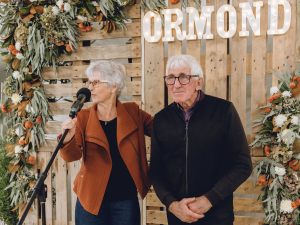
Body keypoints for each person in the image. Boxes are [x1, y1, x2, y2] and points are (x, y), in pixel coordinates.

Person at [149, 54, 252, 225]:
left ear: (199, 82)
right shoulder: (161, 119)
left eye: (183, 78)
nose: (176, 85)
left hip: (217, 215)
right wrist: (172, 205)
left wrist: (209, 199)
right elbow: (156, 171)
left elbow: (242, 165)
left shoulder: (223, 111)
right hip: (178, 216)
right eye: (171, 78)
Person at [59, 61, 153, 225]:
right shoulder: (83, 117)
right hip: (90, 200)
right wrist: (68, 139)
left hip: (125, 200)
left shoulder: (133, 113)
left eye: (95, 82)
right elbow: (72, 156)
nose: (90, 88)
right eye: (89, 82)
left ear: (113, 87)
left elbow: (163, 131)